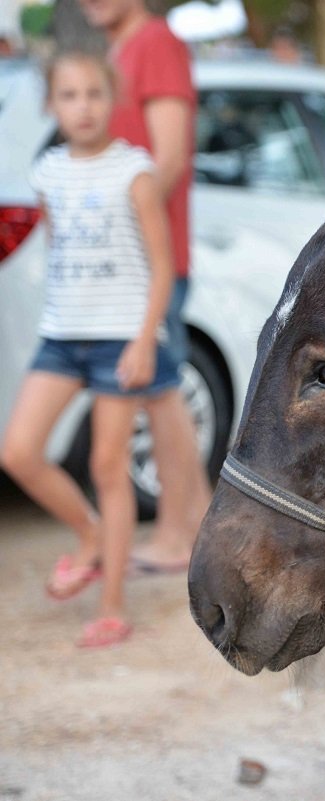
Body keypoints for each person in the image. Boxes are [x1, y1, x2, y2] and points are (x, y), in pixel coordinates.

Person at [0, 51, 175, 647]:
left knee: (107, 467)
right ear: (53, 105)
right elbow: (58, 252)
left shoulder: (135, 171)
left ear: (112, 100)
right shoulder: (47, 171)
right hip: (61, 335)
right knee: (19, 452)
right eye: (69, 96)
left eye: (93, 94)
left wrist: (143, 340)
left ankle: (112, 605)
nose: (82, 107)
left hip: (118, 340)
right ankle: (90, 536)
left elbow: (161, 266)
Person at [80, 0, 209, 573]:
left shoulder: (154, 41)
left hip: (150, 259)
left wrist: (119, 226)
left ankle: (183, 536)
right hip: (125, 263)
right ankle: (192, 527)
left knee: (160, 393)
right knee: (159, 393)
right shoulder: (118, 49)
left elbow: (171, 157)